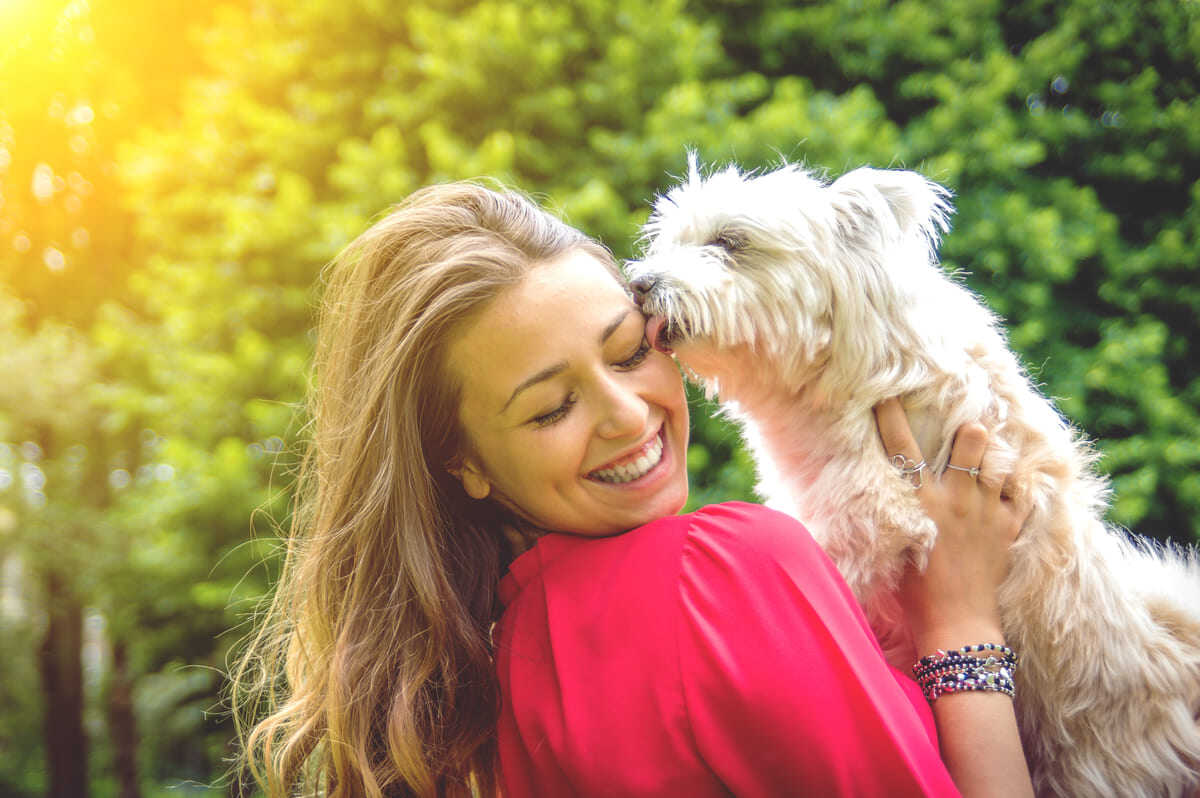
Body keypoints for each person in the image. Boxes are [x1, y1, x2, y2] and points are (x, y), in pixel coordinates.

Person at [233, 181, 1034, 797]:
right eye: (551, 407)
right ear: (462, 462)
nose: (627, 415)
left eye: (628, 352)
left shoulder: (479, 693)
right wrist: (962, 615)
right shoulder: (721, 573)